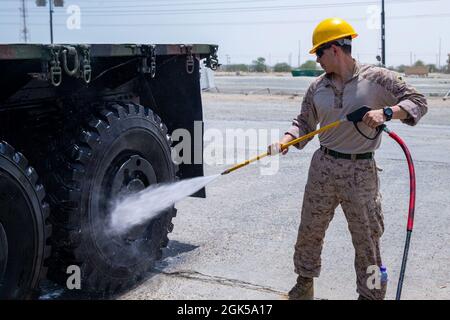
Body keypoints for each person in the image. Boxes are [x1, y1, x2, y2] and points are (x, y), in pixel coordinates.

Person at [268, 17, 427, 300]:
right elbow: (303, 122)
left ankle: (372, 296)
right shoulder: (317, 86)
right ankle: (304, 285)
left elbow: (418, 102)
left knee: (367, 241)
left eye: (319, 52)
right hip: (323, 167)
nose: (316, 59)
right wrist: (286, 140)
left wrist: (387, 113)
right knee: (309, 231)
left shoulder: (377, 78)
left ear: (335, 49)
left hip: (360, 171)